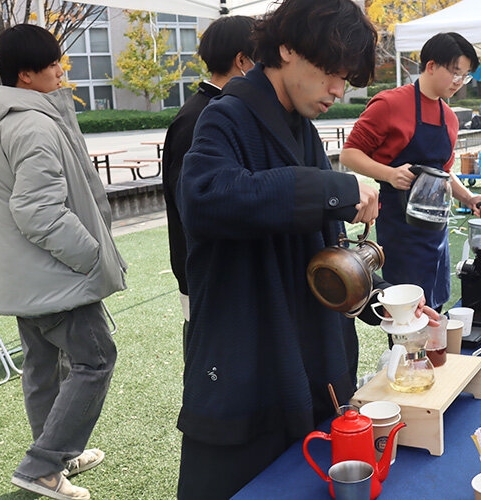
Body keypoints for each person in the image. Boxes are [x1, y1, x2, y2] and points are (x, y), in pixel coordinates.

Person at [174, 2, 438, 498]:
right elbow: (206, 198)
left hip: (307, 350)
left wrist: (382, 301)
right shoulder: (224, 117)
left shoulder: (300, 129)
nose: (338, 91)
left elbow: (322, 250)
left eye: (347, 78)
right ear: (287, 48)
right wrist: (329, 189)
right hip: (249, 352)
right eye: (331, 73)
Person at [0, 25, 126, 500]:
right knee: (95, 359)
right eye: (52, 62)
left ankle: (57, 456)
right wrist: (92, 256)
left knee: (42, 366)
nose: (61, 69)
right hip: (52, 274)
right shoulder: (32, 123)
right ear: (26, 75)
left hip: (23, 276)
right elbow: (38, 211)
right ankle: (43, 465)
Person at [340, 32, 481, 312]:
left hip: (437, 229)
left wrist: (468, 197)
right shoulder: (390, 104)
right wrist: (389, 174)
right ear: (431, 66)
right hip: (401, 227)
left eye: (466, 76)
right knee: (406, 311)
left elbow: (443, 172)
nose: (459, 82)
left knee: (436, 304)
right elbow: (349, 153)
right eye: (455, 73)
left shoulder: (449, 117)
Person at [162, 15, 255, 359]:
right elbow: (197, 207)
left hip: (223, 277)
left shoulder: (218, 109)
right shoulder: (201, 117)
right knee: (214, 376)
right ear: (242, 61)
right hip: (209, 278)